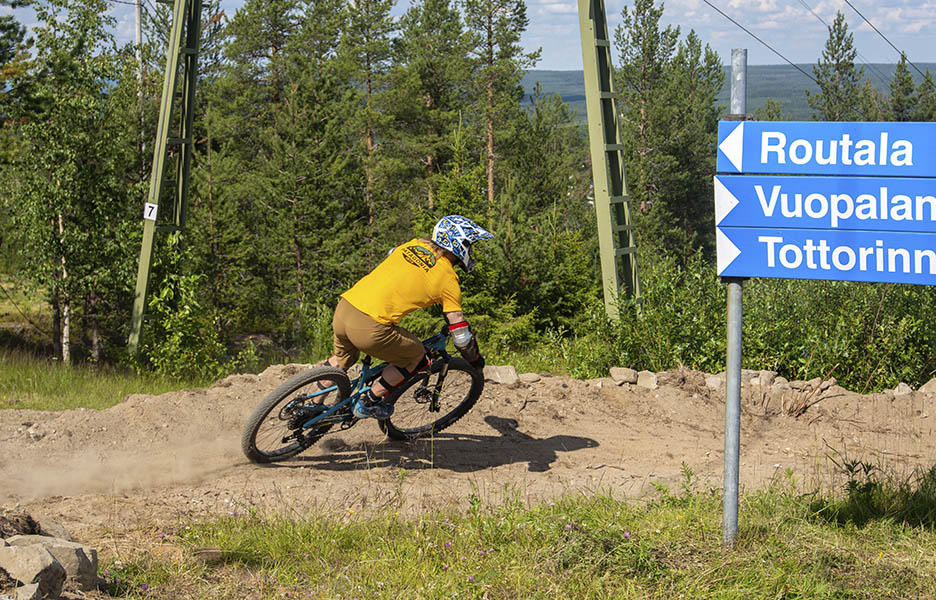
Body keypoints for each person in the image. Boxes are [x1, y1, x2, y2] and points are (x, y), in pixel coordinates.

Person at [323, 215, 493, 420]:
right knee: (419, 358)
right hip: (370, 326)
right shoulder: (448, 279)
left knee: (342, 359)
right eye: (471, 245)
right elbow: (461, 337)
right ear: (460, 245)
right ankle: (367, 402)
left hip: (345, 308)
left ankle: (308, 406)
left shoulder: (412, 245)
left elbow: (393, 259)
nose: (472, 251)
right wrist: (475, 359)